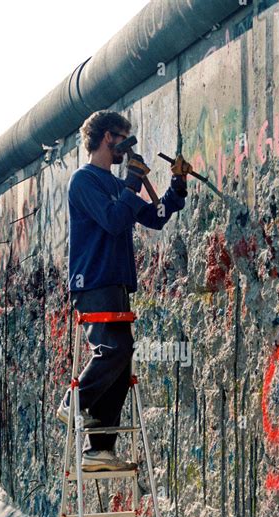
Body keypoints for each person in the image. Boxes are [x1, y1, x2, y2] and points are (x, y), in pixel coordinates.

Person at [56, 110, 190, 472]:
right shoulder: (83, 182)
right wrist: (131, 182)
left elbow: (155, 218)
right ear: (105, 138)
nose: (126, 149)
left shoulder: (116, 185)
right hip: (93, 281)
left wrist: (176, 187)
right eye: (123, 140)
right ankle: (75, 400)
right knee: (115, 348)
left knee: (120, 362)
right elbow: (115, 222)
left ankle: (98, 447)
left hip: (116, 283)